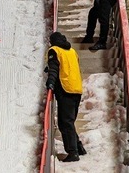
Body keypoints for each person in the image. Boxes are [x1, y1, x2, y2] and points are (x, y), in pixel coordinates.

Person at [45, 31, 86, 162]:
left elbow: (54, 68)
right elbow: (68, 66)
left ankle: (73, 153)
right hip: (76, 89)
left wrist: (51, 82)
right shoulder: (72, 51)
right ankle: (79, 147)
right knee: (69, 121)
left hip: (65, 89)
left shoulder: (54, 50)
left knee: (65, 123)